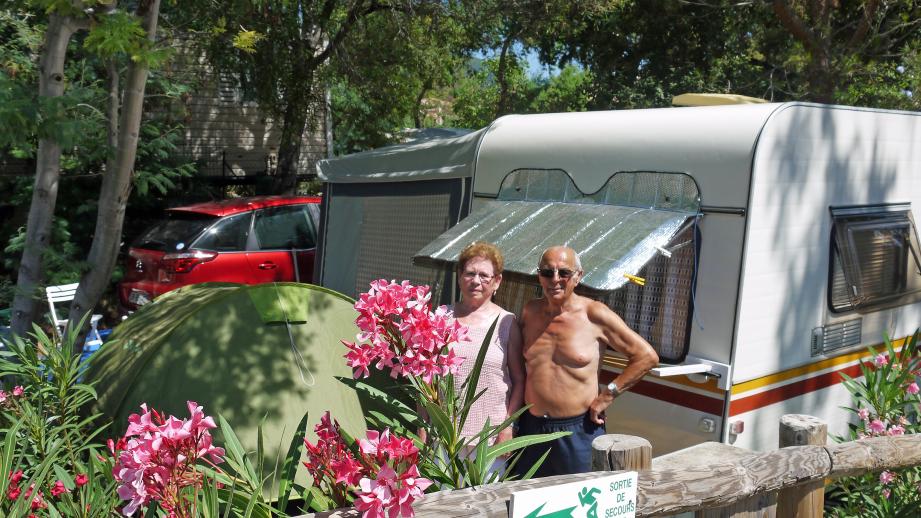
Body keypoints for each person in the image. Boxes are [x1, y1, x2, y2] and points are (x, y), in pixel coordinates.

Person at [512, 245, 659, 478]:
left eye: (564, 273)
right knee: (529, 507)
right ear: (539, 275)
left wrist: (607, 395)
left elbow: (646, 356)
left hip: (578, 431)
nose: (555, 280)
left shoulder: (594, 314)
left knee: (581, 503)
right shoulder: (530, 311)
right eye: (547, 272)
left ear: (578, 276)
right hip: (532, 428)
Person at [448, 242, 525, 459]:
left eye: (484, 276)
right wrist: (423, 430)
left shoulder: (507, 323)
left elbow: (519, 380)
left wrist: (508, 428)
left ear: (497, 281)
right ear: (459, 276)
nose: (476, 281)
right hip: (445, 436)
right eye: (470, 273)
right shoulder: (441, 318)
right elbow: (426, 381)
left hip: (489, 439)